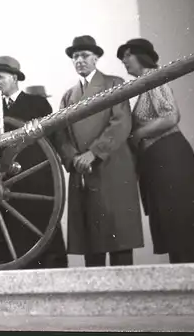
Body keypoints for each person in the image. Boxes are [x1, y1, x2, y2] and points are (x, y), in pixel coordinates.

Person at [117, 38, 194, 264]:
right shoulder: (144, 85)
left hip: (169, 156)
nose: (124, 61)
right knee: (171, 225)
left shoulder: (155, 79)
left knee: (179, 223)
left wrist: (137, 134)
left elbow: (171, 116)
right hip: (159, 159)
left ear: (141, 56)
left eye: (127, 55)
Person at [56, 35, 144, 267]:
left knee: (118, 237)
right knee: (91, 241)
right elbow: (61, 134)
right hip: (82, 171)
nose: (79, 60)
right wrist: (73, 158)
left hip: (111, 165)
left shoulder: (113, 84)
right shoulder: (68, 96)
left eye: (84, 55)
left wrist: (93, 153)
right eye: (75, 57)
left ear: (96, 58)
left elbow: (121, 122)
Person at [0, 56, 68, 268]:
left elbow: (53, 136)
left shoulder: (38, 103)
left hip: (36, 177)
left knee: (41, 223)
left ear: (14, 78)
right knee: (13, 230)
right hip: (7, 181)